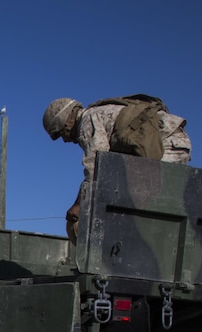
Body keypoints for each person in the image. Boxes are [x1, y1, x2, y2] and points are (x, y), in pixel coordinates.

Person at [43, 96, 191, 242]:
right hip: (172, 141)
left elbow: (96, 170)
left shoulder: (87, 122)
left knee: (132, 206)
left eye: (61, 133)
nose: (65, 139)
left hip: (167, 144)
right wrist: (79, 202)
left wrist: (78, 206)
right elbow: (103, 170)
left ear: (67, 121)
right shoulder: (98, 114)